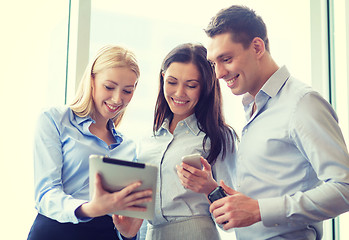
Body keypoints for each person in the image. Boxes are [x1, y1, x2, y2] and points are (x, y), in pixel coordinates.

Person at [178, 5, 349, 239]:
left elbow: (345, 188)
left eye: (226, 59)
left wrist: (260, 210)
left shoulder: (302, 103)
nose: (218, 73)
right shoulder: (252, 108)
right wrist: (211, 188)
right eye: (213, 63)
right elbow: (258, 200)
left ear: (257, 47)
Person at [27, 45, 152, 240]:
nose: (117, 98)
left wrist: (129, 234)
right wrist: (89, 208)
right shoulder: (55, 120)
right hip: (56, 231)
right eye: (109, 87)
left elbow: (127, 222)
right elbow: (45, 194)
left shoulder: (128, 148)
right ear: (91, 80)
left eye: (127, 91)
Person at [122, 43, 238, 240]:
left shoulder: (218, 137)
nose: (179, 93)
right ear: (162, 78)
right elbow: (139, 216)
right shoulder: (149, 140)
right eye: (172, 82)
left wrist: (210, 188)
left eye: (191, 85)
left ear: (206, 88)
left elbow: (231, 222)